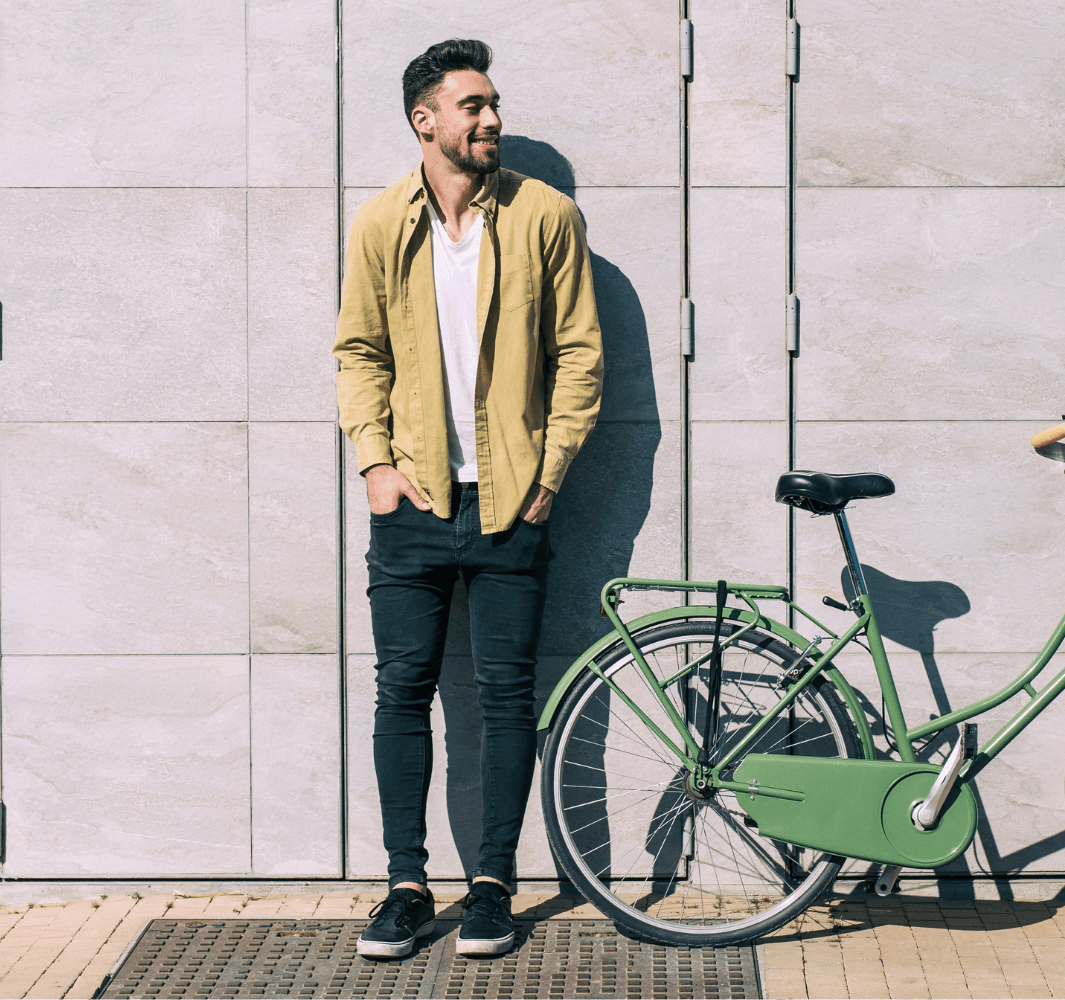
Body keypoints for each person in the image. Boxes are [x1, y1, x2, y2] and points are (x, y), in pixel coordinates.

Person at [334, 38, 603, 959]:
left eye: (493, 106)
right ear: (427, 120)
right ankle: (406, 883)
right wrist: (374, 464)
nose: (492, 121)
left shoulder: (545, 217)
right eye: (474, 107)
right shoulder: (379, 223)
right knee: (402, 692)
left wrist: (548, 474)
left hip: (510, 502)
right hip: (411, 501)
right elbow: (357, 352)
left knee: (502, 696)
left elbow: (579, 355)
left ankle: (493, 882)